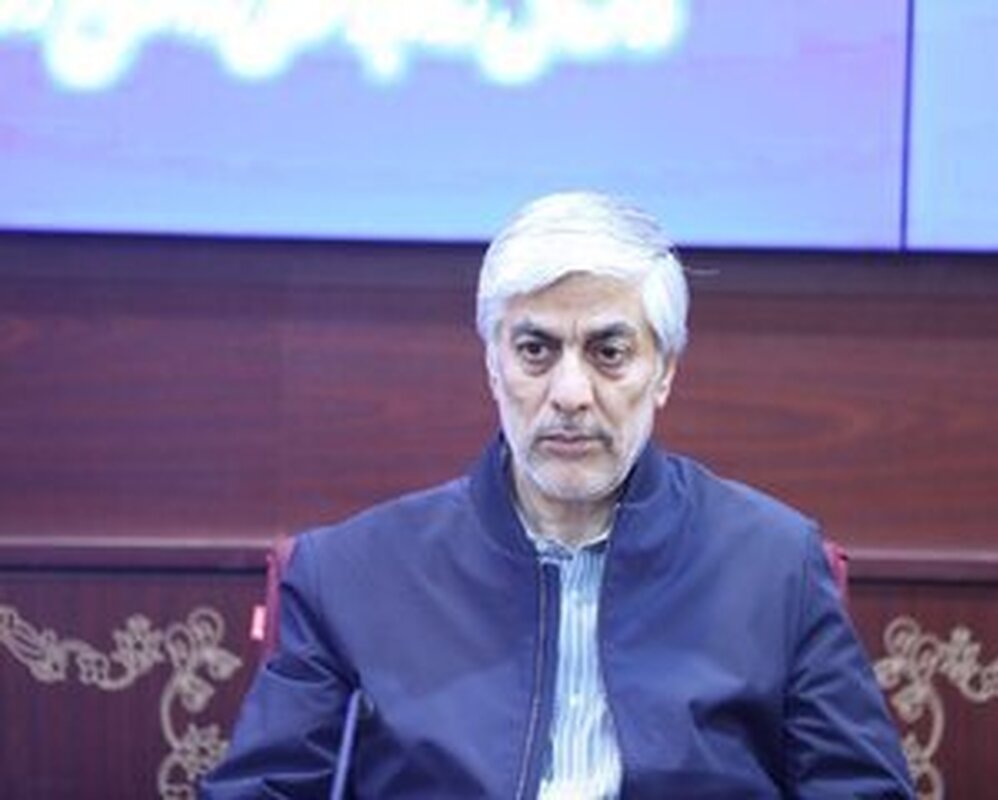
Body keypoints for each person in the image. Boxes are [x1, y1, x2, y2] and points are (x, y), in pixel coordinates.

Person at [202, 191, 914, 798]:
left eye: (609, 352)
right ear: (493, 365)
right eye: (536, 350)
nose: (570, 393)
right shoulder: (350, 576)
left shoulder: (774, 565)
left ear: (664, 371)